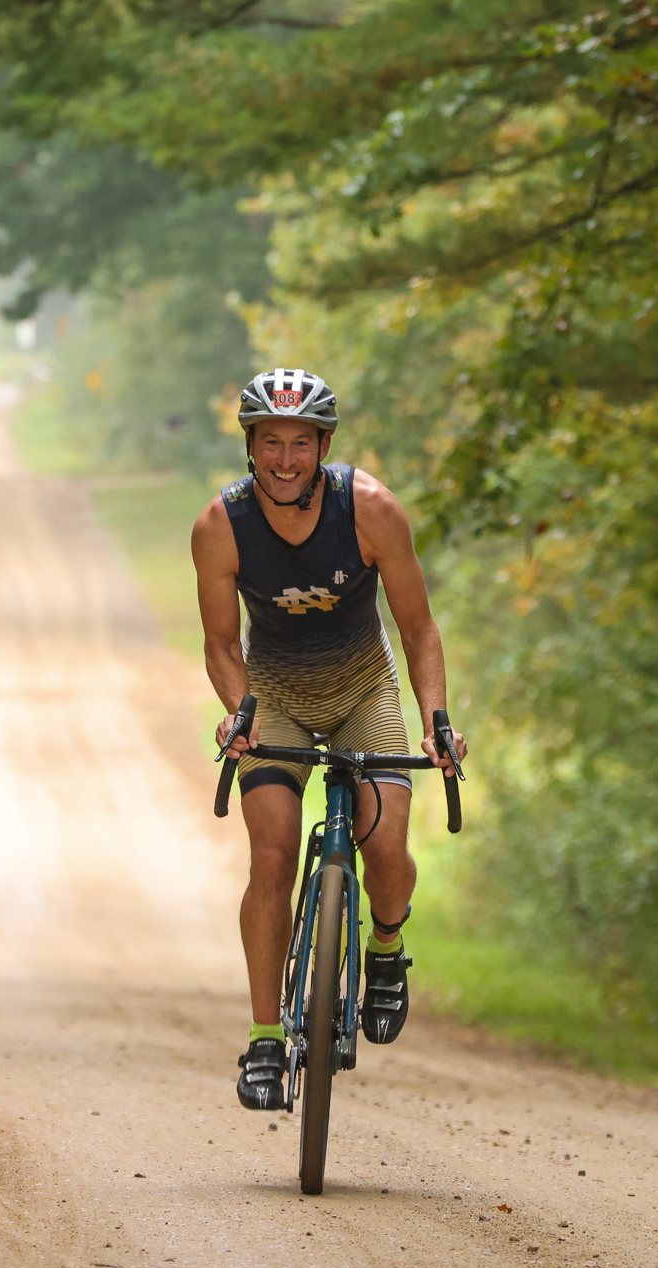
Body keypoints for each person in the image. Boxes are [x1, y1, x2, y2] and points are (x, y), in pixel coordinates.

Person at [190, 368, 468, 1110]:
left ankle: (384, 948)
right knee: (273, 854)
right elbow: (221, 644)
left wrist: (438, 720)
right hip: (275, 694)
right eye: (272, 443)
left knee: (386, 850)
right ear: (251, 445)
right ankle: (262, 1042)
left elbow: (418, 628)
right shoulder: (221, 525)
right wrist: (238, 708)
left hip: (362, 690)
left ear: (324, 446)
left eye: (302, 445)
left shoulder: (370, 510)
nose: (286, 460)